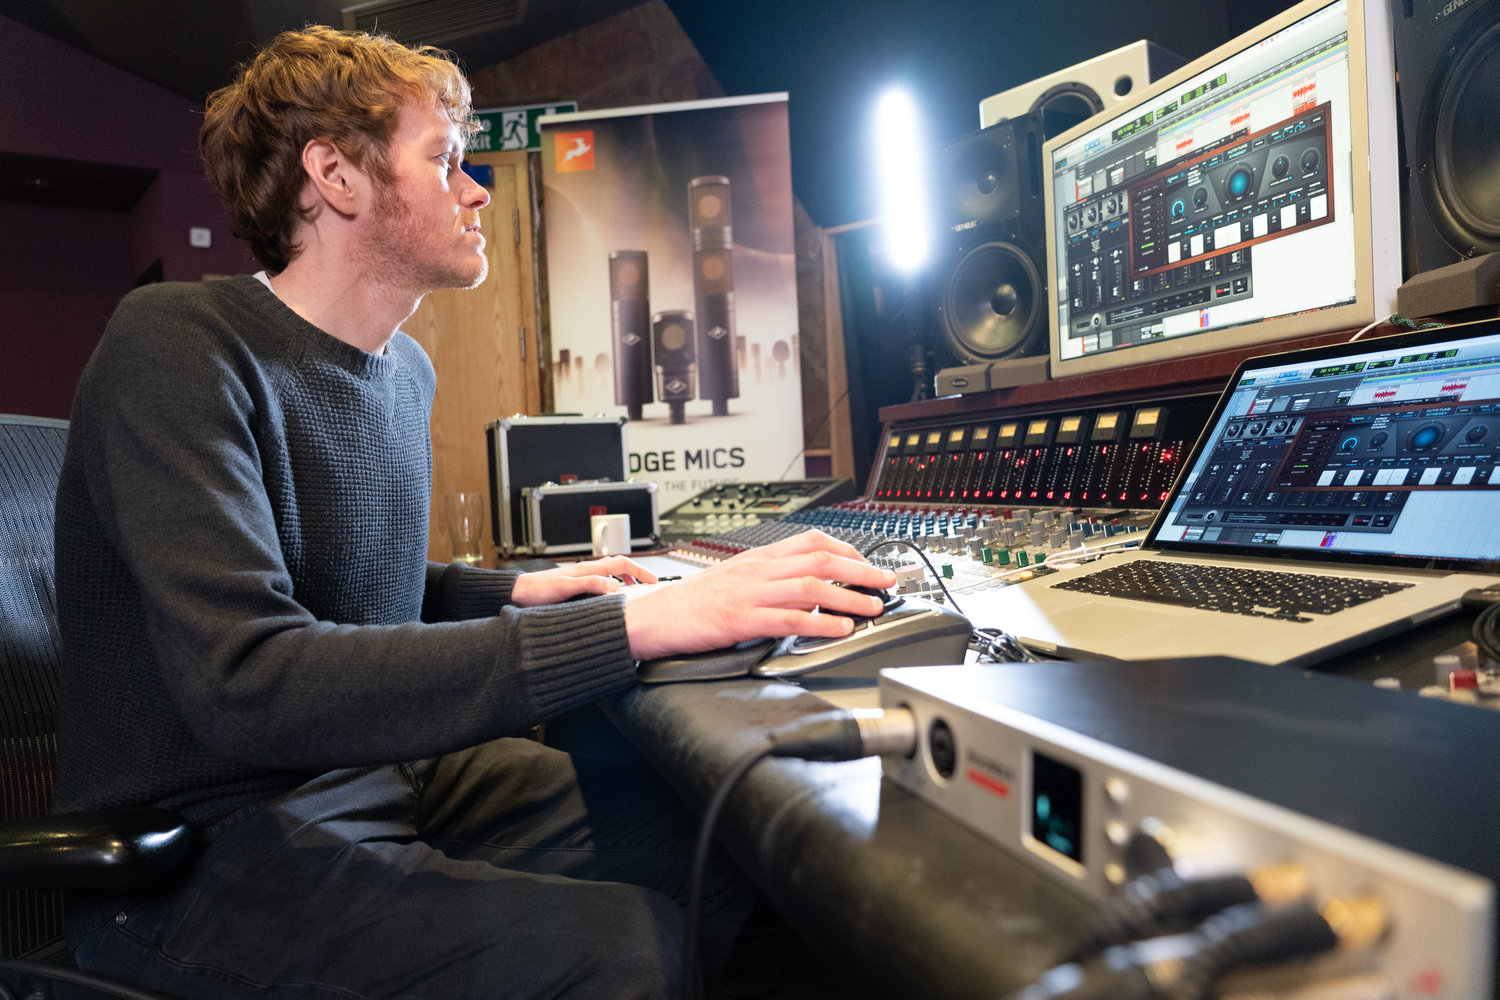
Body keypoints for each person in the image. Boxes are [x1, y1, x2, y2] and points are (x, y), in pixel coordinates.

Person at [53, 24, 895, 1000]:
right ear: (335, 175)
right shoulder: (175, 346)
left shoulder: (404, 370)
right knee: (625, 949)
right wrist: (635, 623)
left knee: (747, 841)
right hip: (199, 853)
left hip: (381, 772)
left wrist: (511, 591)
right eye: (445, 159)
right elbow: (250, 677)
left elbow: (342, 590)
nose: (477, 189)